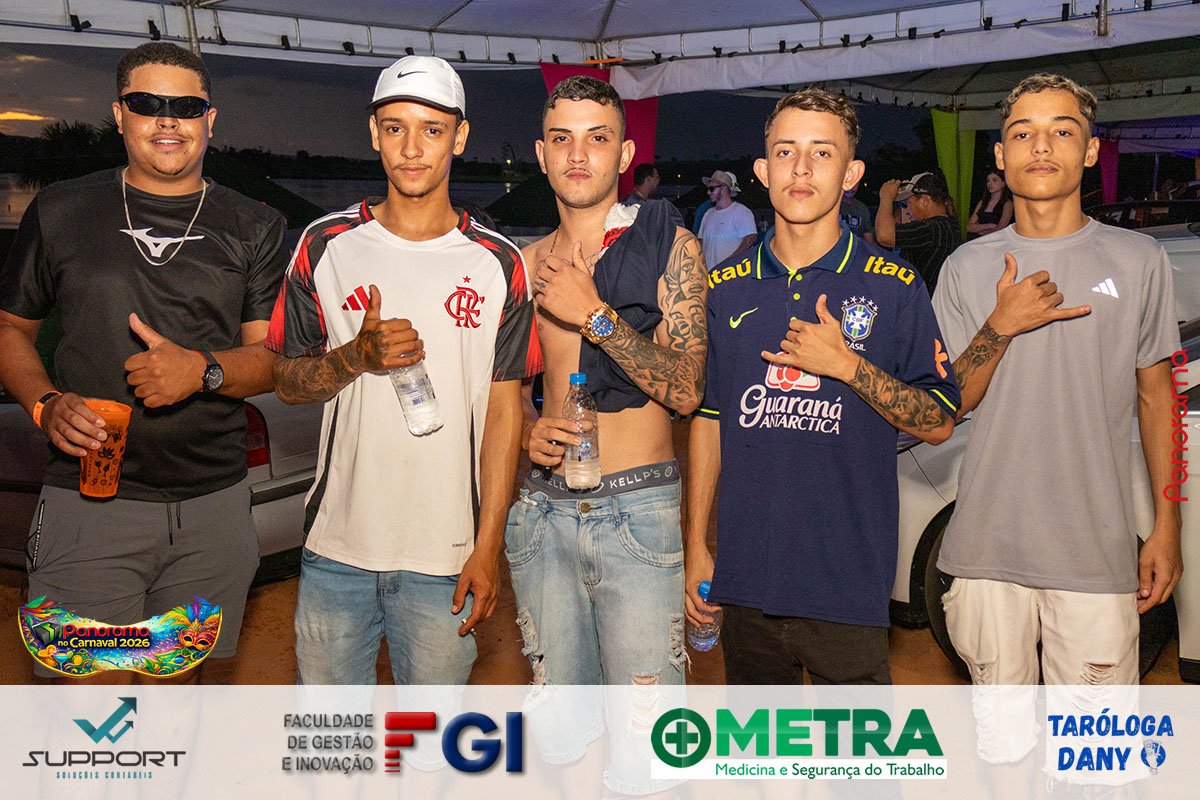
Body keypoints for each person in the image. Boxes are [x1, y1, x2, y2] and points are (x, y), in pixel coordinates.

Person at [0, 42, 286, 679]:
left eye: (185, 106)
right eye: (147, 103)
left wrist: (201, 370)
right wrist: (45, 405)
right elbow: (10, 329)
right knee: (88, 709)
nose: (167, 120)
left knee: (178, 704)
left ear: (210, 120)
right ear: (118, 114)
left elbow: (271, 360)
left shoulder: (255, 224)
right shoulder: (62, 209)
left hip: (212, 512)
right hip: (89, 506)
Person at [266, 55, 539, 685]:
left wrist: (488, 545)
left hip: (448, 555)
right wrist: (354, 358)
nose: (412, 148)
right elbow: (285, 381)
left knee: (429, 740)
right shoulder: (323, 245)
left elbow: (504, 412)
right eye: (395, 128)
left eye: (431, 129)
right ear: (373, 133)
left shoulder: (499, 263)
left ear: (459, 137)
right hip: (337, 549)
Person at [685, 87, 960, 685]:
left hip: (848, 586)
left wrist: (848, 365)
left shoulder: (894, 285)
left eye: (822, 153)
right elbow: (710, 418)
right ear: (763, 172)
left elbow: (939, 420)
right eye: (785, 152)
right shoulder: (727, 286)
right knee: (762, 746)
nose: (802, 168)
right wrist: (697, 545)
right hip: (746, 581)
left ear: (851, 174)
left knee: (856, 748)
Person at [932, 73, 1181, 693]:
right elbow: (946, 406)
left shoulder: (1139, 259)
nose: (1041, 146)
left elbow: (1159, 398)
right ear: (1000, 154)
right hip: (986, 552)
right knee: (1002, 738)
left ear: (1090, 151)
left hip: (1095, 553)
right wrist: (1000, 324)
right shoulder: (965, 266)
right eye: (1023, 133)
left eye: (1062, 131)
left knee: (1095, 746)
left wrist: (1168, 526)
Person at [508, 74, 707, 690]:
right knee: (562, 726)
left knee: (648, 733)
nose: (577, 154)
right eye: (561, 139)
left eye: (597, 138)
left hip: (637, 510)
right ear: (541, 155)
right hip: (544, 511)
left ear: (624, 155)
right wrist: (527, 428)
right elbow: (505, 391)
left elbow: (687, 390)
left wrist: (594, 315)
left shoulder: (672, 246)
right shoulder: (524, 264)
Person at [875, 170, 962, 294]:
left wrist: (886, 198)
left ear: (924, 201)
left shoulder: (931, 229)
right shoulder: (949, 226)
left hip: (925, 302)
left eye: (909, 203)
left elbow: (884, 236)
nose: (908, 210)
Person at [697, 169, 757, 267]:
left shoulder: (741, 211)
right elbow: (700, 241)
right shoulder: (708, 213)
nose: (708, 192)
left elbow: (750, 239)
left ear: (724, 188)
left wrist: (730, 262)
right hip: (708, 273)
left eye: (711, 189)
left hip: (729, 274)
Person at [623, 161, 684, 226]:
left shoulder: (627, 201)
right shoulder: (641, 206)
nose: (658, 181)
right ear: (649, 179)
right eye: (657, 177)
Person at [966, 169, 1013, 239]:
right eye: (988, 181)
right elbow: (969, 227)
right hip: (978, 239)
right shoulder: (982, 202)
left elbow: (1001, 228)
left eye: (994, 180)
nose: (990, 183)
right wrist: (989, 226)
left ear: (1003, 183)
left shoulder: (1007, 204)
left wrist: (981, 230)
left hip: (996, 240)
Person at [839, 176, 876, 243]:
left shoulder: (862, 208)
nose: (851, 187)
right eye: (848, 182)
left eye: (855, 183)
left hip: (856, 247)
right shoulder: (832, 205)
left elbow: (869, 239)